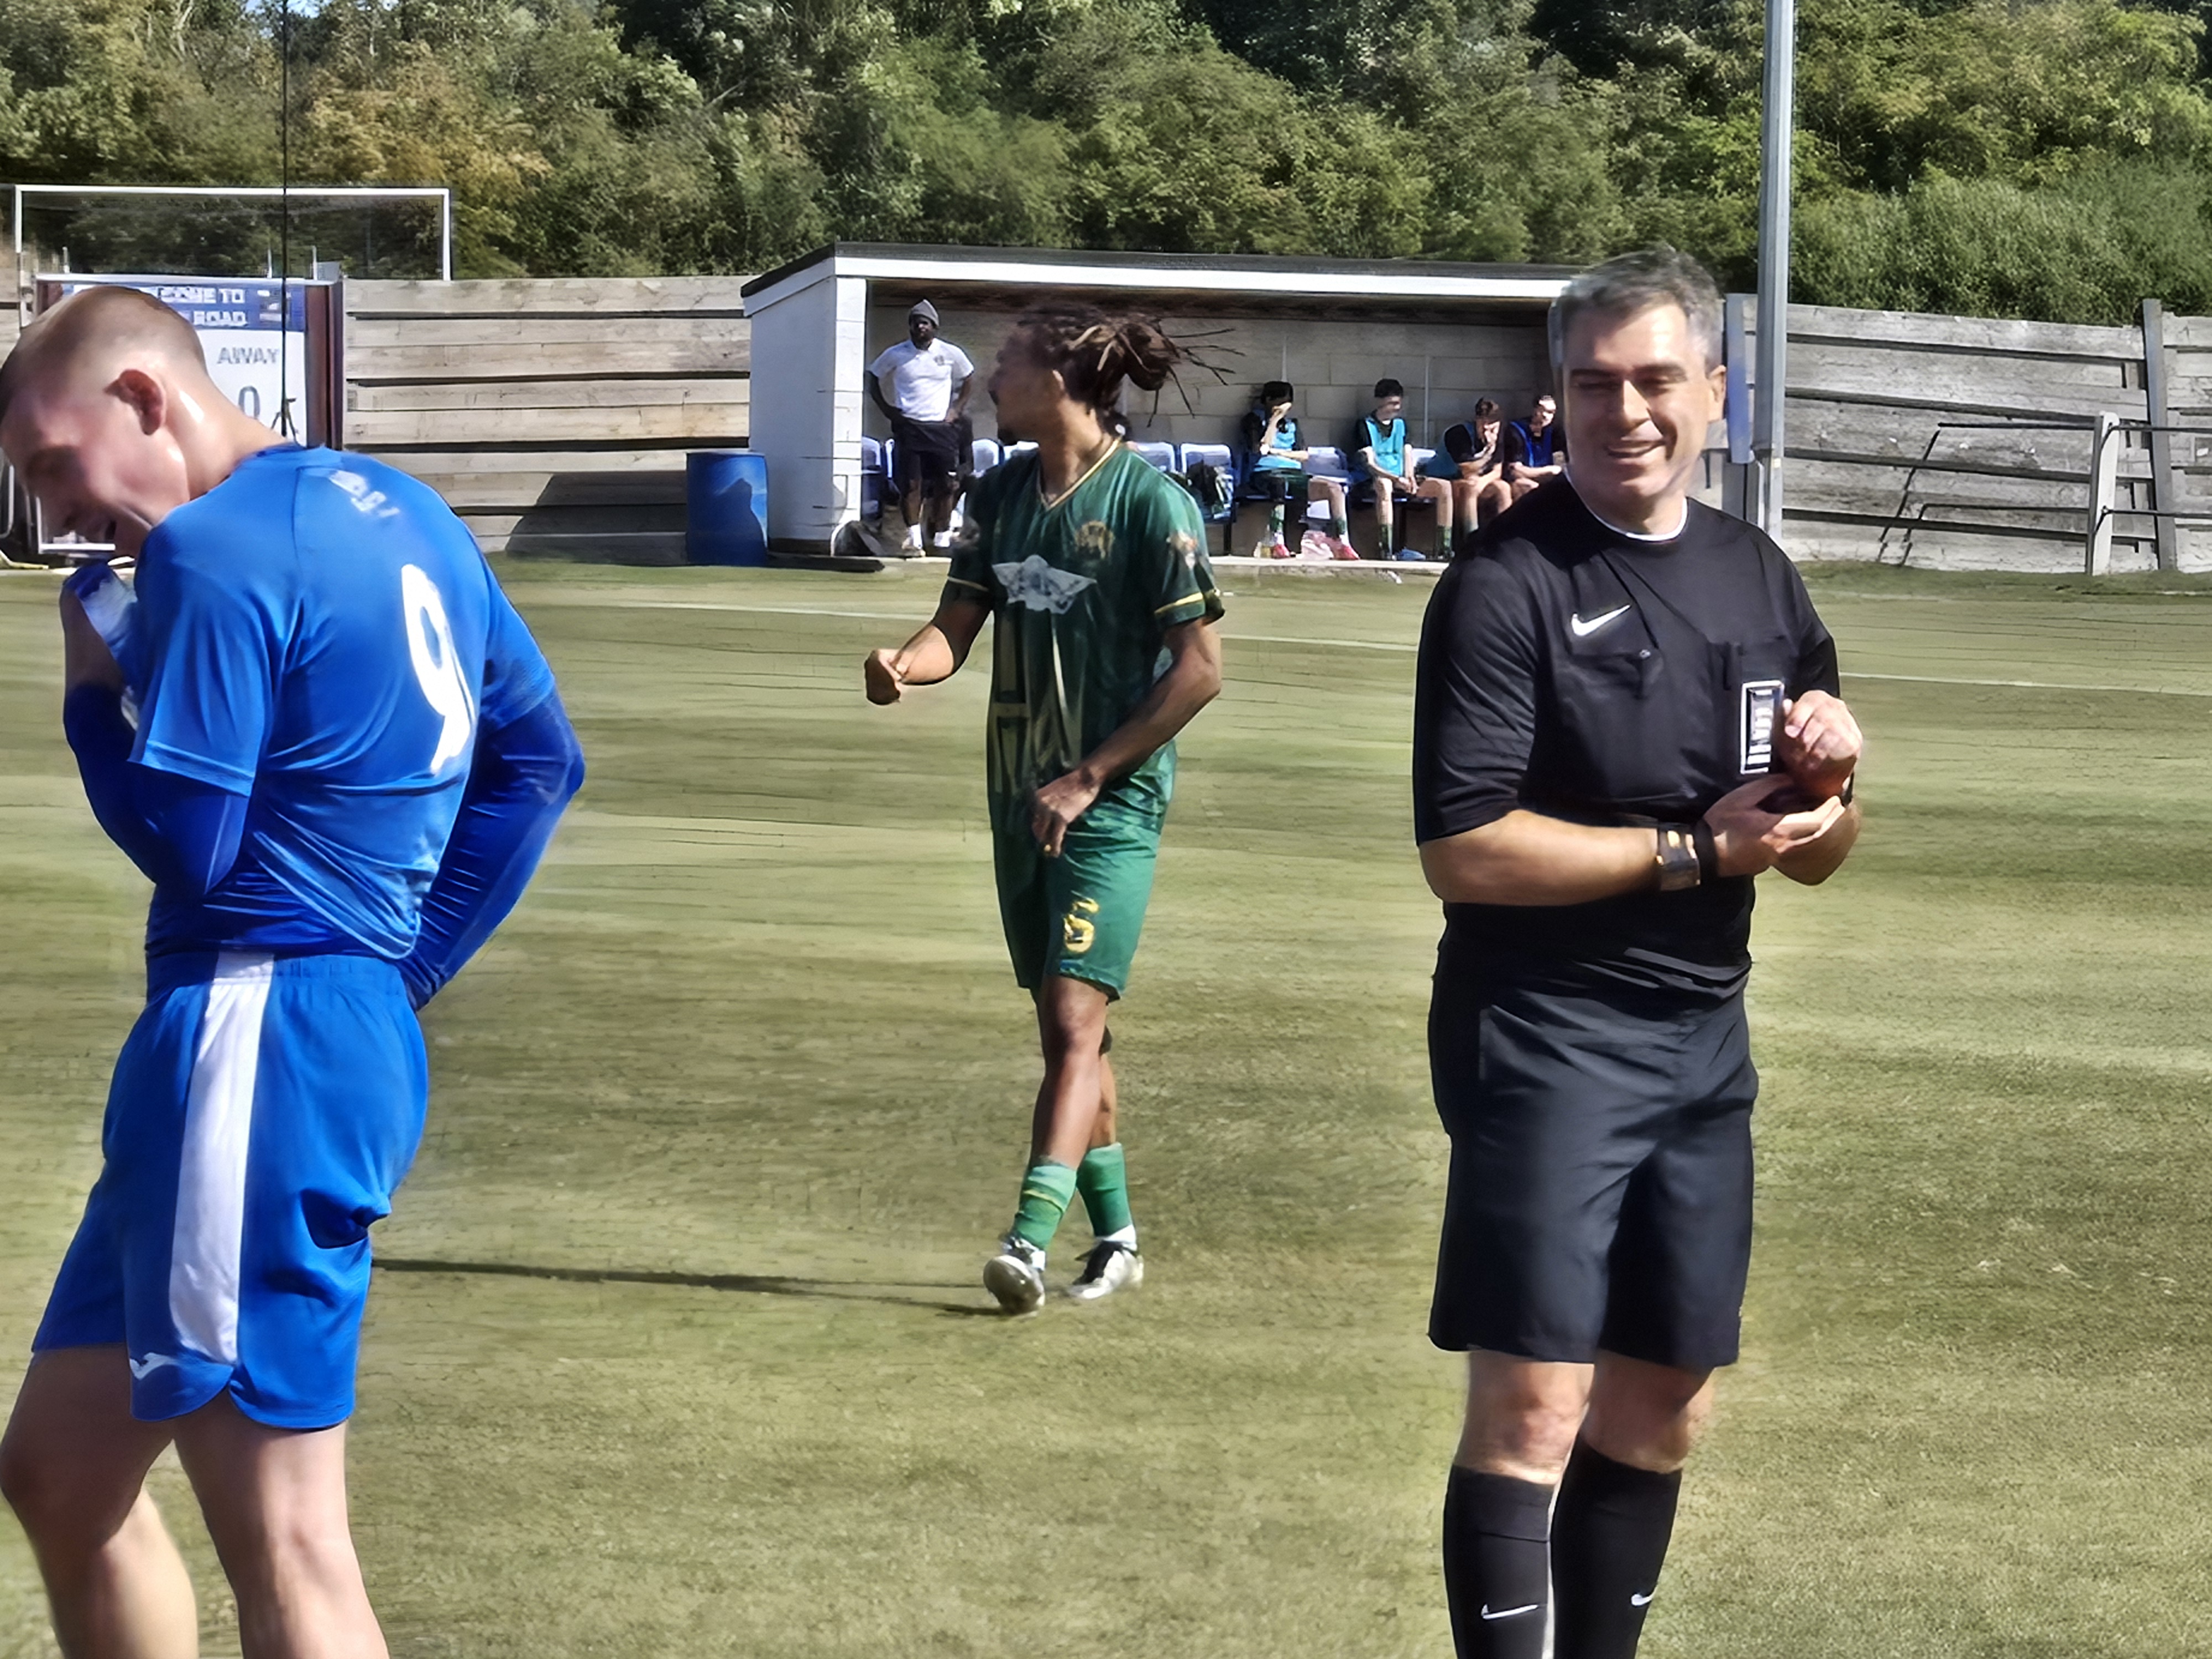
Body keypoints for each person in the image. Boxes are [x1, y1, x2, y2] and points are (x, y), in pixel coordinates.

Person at [0, 285, 584, 1658]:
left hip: (253, 1032)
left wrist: (91, 699)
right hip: (307, 1026)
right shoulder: (412, 514)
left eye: (55, 466)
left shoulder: (208, 548)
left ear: (144, 398)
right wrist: (395, 968)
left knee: (287, 1545)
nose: (59, 513)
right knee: (62, 1473)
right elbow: (539, 763)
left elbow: (191, 848)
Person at [1411, 247, 1864, 1659]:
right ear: (1559, 395)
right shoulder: (1504, 584)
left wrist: (1833, 785)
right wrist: (1692, 853)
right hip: (1543, 1031)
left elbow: (1814, 847)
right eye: (1594, 384)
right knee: (1534, 1403)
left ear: (1713, 391)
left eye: (1655, 379)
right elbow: (1466, 848)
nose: (1626, 412)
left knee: (1665, 1397)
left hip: (1702, 1041)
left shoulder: (1756, 577)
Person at [863, 305, 1223, 1314]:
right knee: (1076, 1034)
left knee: (1072, 1019)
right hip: (1019, 799)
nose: (987, 381)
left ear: (1058, 381)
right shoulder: (1000, 492)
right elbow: (955, 625)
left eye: (1006, 365)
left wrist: (1092, 775)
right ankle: (1119, 1241)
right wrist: (904, 666)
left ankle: (1026, 1241)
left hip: (1109, 805)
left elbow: (1200, 672)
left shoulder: (1152, 505)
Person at [868, 299, 977, 551]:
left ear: (934, 327)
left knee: (946, 485)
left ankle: (941, 538)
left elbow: (969, 377)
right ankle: (914, 539)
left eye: (925, 323)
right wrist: (887, 409)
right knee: (912, 485)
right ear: (910, 326)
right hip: (910, 426)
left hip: (941, 428)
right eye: (916, 323)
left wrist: (956, 409)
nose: (920, 327)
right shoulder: (897, 354)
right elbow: (872, 376)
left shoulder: (950, 353)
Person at [1241, 380, 1352, 558]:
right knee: (1279, 484)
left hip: (1294, 473)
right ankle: (1277, 540)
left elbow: (1304, 455)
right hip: (1266, 473)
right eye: (1280, 402)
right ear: (1268, 400)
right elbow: (1261, 448)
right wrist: (1274, 421)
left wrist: (1278, 452)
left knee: (1334, 488)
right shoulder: (1253, 421)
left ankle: (1342, 540)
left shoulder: (1293, 425)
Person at [1353, 379, 1455, 561]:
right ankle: (1386, 548)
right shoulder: (1364, 425)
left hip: (1402, 477)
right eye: (1392, 403)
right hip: (1375, 479)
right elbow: (1370, 464)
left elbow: (1407, 453)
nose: (1397, 408)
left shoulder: (1401, 425)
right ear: (1380, 401)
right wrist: (1395, 479)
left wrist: (1410, 478)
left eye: (1399, 403)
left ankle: (1444, 548)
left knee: (1444, 487)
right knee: (1385, 486)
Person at [1434, 397, 1514, 530]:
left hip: (1477, 479)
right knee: (1470, 487)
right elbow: (1466, 469)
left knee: (1503, 487)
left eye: (1493, 426)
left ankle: (1504, 534)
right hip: (1447, 477)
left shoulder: (1501, 435)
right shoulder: (1458, 433)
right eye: (1483, 423)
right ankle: (1471, 535)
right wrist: (1489, 452)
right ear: (1477, 420)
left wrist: (1482, 482)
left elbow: (1497, 470)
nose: (1487, 429)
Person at [1501, 393, 1566, 502]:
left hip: (1547, 479)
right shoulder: (1516, 430)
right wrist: (1548, 471)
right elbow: (1515, 471)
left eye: (1551, 412)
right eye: (1542, 410)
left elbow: (1561, 467)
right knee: (1530, 487)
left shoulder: (1555, 431)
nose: (1545, 416)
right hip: (1522, 480)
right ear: (1534, 410)